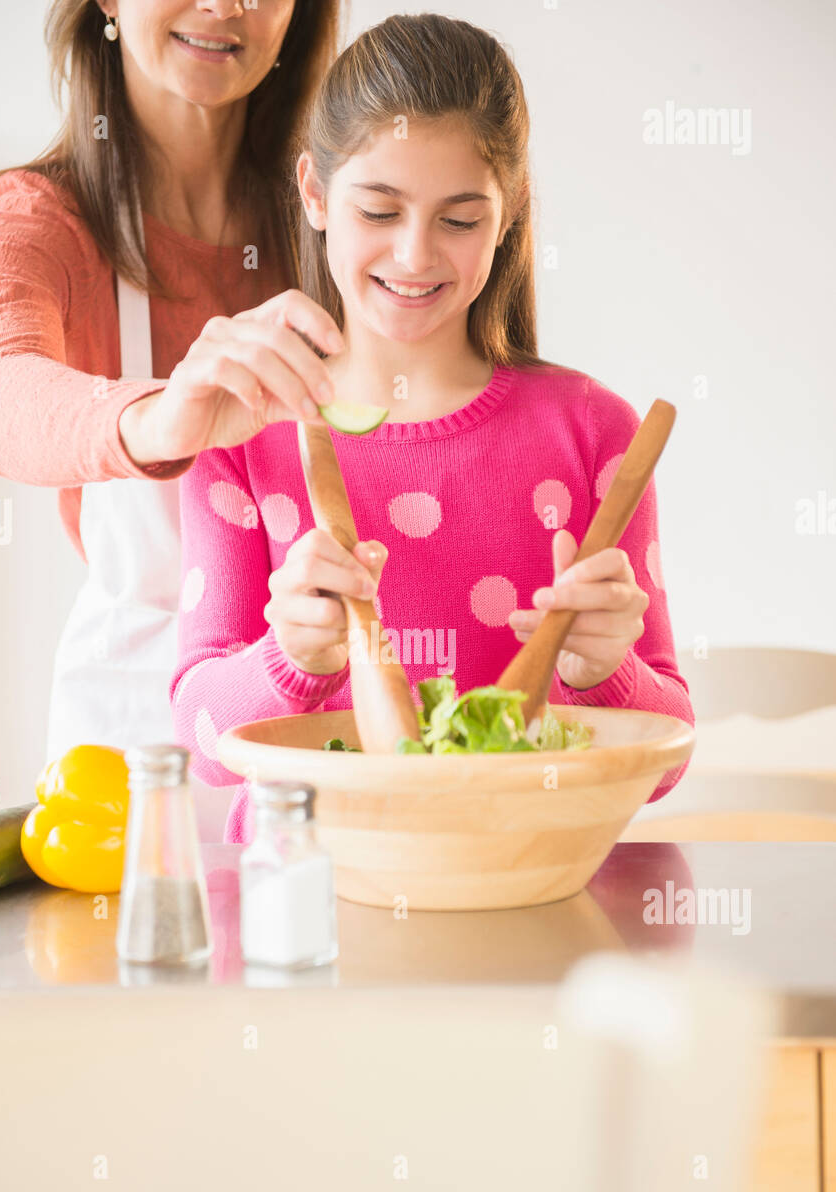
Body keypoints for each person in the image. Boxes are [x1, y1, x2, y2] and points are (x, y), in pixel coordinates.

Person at [172, 12, 695, 842]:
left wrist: (603, 673)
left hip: (520, 892)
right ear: (313, 193)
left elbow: (668, 762)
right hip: (299, 910)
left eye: (458, 220)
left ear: (511, 210)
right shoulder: (242, 427)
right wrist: (289, 660)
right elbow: (199, 741)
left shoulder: (595, 433)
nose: (415, 257)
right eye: (378, 211)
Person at [0, 0, 346, 839]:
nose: (225, 7)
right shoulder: (39, 221)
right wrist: (162, 419)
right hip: (131, 776)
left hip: (321, 746)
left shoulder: (339, 215)